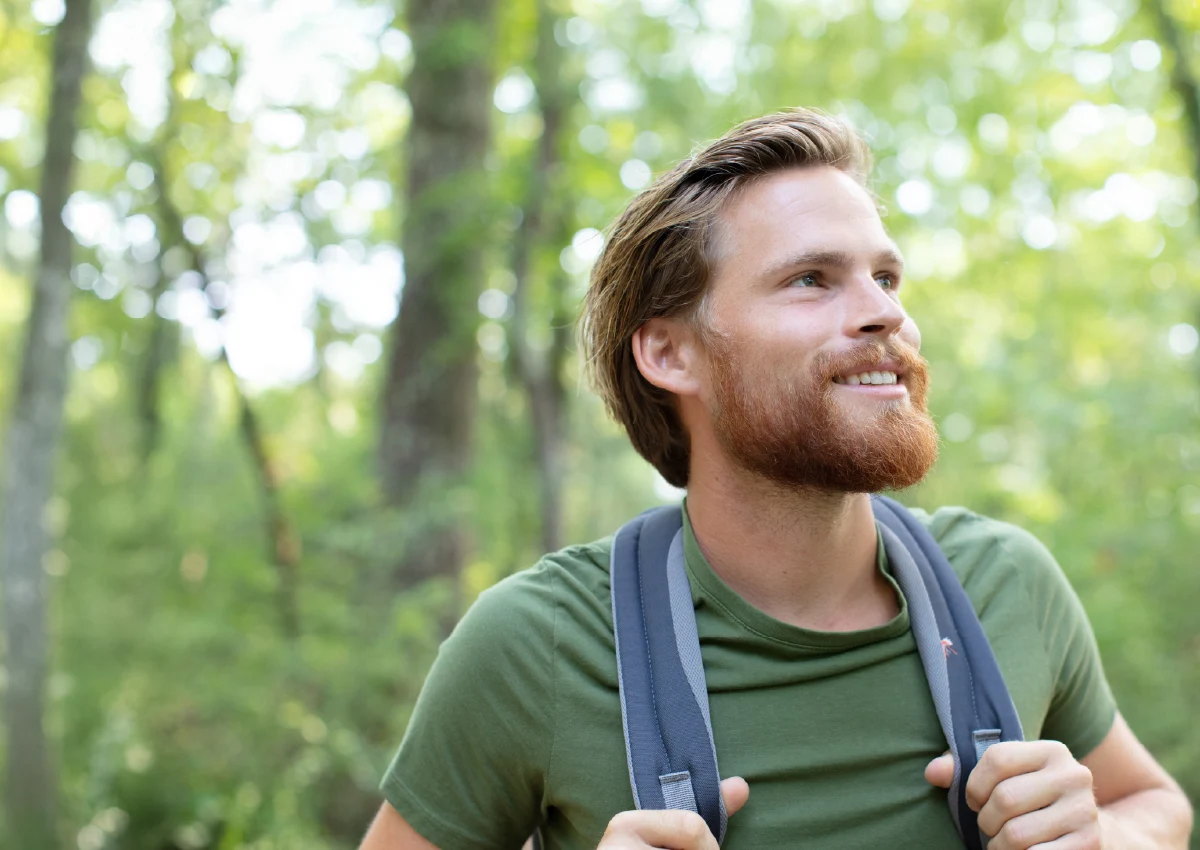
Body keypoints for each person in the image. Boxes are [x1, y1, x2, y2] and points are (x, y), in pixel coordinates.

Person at [358, 109, 1193, 849]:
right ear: (670, 353)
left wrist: (1107, 836)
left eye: (886, 277)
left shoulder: (1007, 583)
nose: (886, 312)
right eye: (810, 280)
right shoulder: (535, 643)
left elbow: (1154, 804)